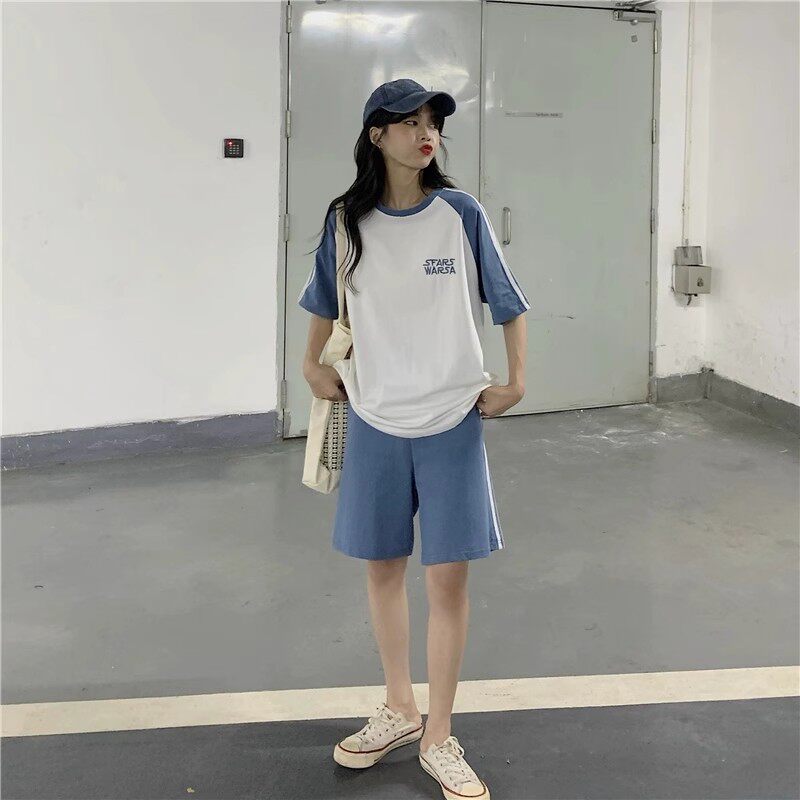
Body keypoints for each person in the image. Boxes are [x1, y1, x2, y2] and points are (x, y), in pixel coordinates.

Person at [298, 78, 529, 800]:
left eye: (433, 122)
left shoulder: (460, 213)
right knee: (383, 568)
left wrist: (517, 380)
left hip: (452, 419)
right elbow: (323, 301)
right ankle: (400, 707)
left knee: (448, 579)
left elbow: (508, 302)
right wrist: (311, 365)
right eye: (409, 122)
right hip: (374, 417)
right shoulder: (347, 220)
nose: (426, 133)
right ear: (377, 135)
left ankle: (439, 733)